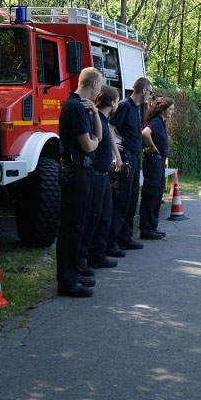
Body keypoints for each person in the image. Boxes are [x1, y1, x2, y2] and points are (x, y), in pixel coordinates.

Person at [56, 67, 103, 298]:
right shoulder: (74, 107)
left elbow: (99, 137)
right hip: (75, 171)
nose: (100, 90)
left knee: (80, 225)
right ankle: (67, 281)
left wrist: (95, 113)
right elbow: (88, 145)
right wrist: (94, 143)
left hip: (82, 170)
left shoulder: (84, 106)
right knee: (71, 227)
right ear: (94, 83)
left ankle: (73, 273)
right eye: (100, 85)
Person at [107, 76, 153, 255]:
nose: (150, 95)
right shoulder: (125, 105)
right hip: (125, 156)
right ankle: (111, 243)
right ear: (143, 90)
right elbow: (110, 128)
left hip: (134, 156)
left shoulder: (137, 107)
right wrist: (116, 155)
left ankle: (125, 238)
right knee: (121, 201)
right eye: (149, 92)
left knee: (132, 200)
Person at [78, 85, 120, 269]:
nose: (117, 104)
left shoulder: (102, 120)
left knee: (104, 217)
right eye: (116, 101)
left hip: (103, 176)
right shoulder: (96, 120)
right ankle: (85, 258)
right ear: (111, 102)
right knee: (93, 218)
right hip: (95, 176)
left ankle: (98, 255)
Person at [139, 98, 175, 240]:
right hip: (154, 162)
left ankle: (152, 227)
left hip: (158, 162)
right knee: (151, 195)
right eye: (171, 109)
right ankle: (146, 229)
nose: (173, 112)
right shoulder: (156, 122)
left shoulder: (161, 122)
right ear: (163, 110)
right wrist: (152, 147)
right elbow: (145, 133)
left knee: (157, 195)